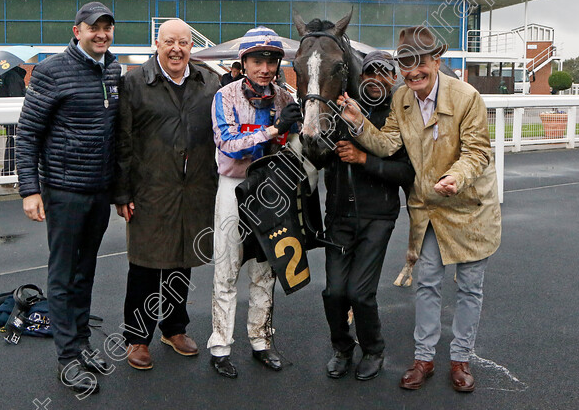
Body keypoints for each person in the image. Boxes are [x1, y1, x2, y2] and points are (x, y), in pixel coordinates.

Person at [338, 26, 501, 393]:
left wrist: (455, 178)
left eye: (420, 63)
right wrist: (357, 121)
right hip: (428, 208)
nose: (413, 71)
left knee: (470, 288)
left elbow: (477, 152)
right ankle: (424, 358)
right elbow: (386, 143)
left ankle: (460, 359)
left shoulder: (467, 97)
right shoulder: (402, 99)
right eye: (405, 63)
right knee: (427, 283)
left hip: (470, 206)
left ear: (436, 62)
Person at [16, 1, 120, 395]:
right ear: (77, 30)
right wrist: (30, 189)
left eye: (107, 28)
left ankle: (81, 342)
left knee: (86, 272)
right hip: (63, 190)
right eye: (94, 27)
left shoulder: (112, 69)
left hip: (99, 190)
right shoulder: (51, 71)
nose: (101, 34)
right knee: (62, 275)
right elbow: (27, 134)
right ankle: (66, 358)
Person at [113, 18, 219, 371]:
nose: (177, 49)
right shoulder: (134, 83)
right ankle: (137, 337)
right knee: (144, 264)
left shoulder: (209, 82)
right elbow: (122, 140)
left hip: (195, 189)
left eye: (184, 42)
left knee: (181, 260)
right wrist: (122, 191)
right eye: (169, 41)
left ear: (192, 46)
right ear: (157, 44)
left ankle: (174, 328)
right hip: (149, 189)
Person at [206, 27, 301, 379]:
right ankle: (220, 345)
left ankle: (261, 341)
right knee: (227, 267)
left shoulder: (284, 98)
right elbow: (228, 143)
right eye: (257, 60)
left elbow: (291, 147)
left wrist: (290, 130)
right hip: (233, 186)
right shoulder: (225, 96)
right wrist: (274, 130)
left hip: (270, 190)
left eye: (271, 61)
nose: (264, 68)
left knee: (265, 269)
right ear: (243, 62)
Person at [321, 50, 414, 381]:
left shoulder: (400, 118)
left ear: (393, 78)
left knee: (360, 293)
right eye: (369, 73)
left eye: (383, 73)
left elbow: (405, 174)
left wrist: (363, 159)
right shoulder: (340, 110)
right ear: (361, 78)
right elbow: (318, 158)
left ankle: (373, 349)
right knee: (333, 292)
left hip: (377, 218)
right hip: (338, 217)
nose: (375, 79)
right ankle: (342, 348)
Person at [0, 65, 27, 177]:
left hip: (7, 114)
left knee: (11, 142)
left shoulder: (2, 76)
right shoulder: (13, 76)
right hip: (16, 116)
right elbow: (16, 96)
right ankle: (9, 171)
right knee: (15, 143)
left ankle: (8, 170)